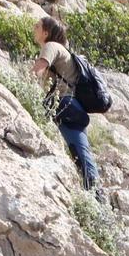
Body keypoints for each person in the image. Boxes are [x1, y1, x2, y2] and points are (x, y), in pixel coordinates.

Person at [31, 15, 100, 193]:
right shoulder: (62, 49)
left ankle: (96, 194)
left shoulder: (51, 46)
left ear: (46, 32)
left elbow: (36, 73)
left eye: (37, 26)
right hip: (71, 106)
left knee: (80, 154)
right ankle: (94, 192)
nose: (34, 27)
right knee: (80, 152)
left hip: (64, 105)